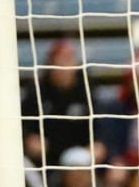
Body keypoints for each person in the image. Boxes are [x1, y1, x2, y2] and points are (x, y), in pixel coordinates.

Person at [23, 38, 96, 167]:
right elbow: (25, 125)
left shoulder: (88, 90)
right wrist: (28, 138)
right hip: (46, 159)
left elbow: (100, 126)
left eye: (68, 59)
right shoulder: (36, 91)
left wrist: (99, 144)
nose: (63, 66)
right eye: (60, 59)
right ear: (50, 63)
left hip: (80, 157)